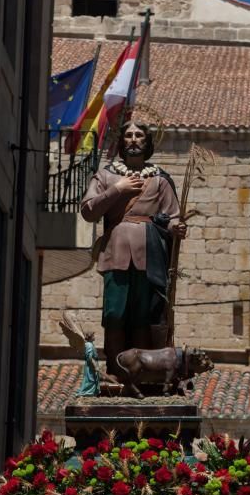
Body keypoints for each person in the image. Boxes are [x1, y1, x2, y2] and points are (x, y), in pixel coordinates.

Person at [80, 121, 186, 374]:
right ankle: (115, 370)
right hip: (116, 252)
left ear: (148, 143)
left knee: (143, 314)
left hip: (150, 254)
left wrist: (176, 228)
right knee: (115, 312)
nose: (134, 139)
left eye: (139, 135)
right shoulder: (106, 176)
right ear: (121, 142)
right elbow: (88, 210)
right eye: (128, 135)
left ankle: (143, 372)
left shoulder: (160, 180)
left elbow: (172, 216)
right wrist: (118, 189)